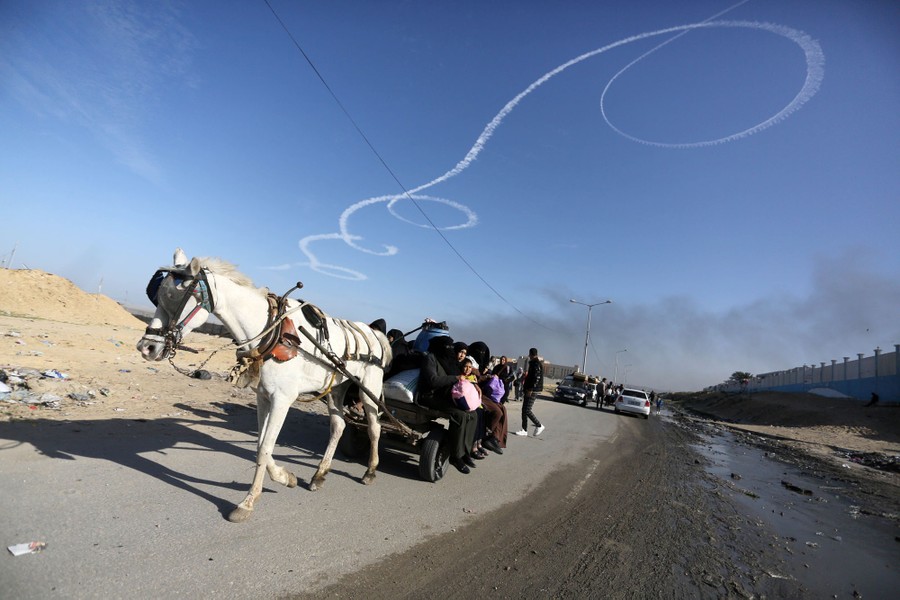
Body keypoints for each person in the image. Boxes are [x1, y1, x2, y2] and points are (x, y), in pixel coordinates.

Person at [418, 336, 479, 473]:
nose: (450, 350)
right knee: (459, 415)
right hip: (429, 397)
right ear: (440, 347)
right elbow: (433, 381)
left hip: (443, 396)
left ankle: (465, 452)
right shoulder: (431, 358)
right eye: (447, 347)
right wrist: (455, 378)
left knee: (473, 414)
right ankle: (455, 456)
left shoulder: (447, 360)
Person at [514, 347, 544, 436]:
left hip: (533, 390)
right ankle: (524, 430)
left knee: (527, 410)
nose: (529, 356)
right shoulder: (533, 363)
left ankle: (539, 425)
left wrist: (531, 389)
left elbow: (536, 378)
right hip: (529, 389)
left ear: (531, 354)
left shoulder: (536, 364)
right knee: (524, 410)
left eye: (530, 354)